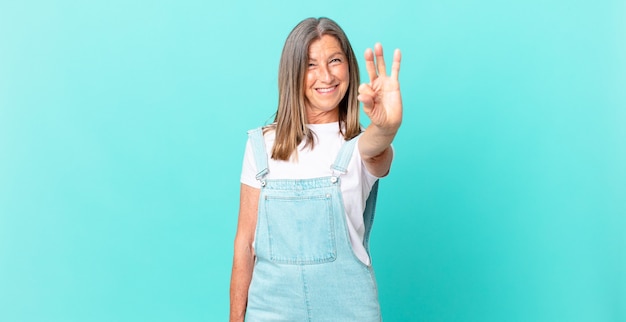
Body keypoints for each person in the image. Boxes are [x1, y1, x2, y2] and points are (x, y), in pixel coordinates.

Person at [229, 17, 402, 321]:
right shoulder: (261, 145)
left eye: (335, 60)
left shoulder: (359, 145)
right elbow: (245, 244)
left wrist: (387, 127)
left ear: (349, 66)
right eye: (310, 65)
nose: (325, 75)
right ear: (292, 73)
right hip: (270, 310)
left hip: (349, 309)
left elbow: (378, 148)